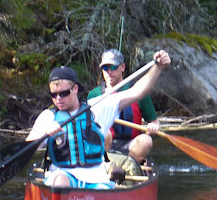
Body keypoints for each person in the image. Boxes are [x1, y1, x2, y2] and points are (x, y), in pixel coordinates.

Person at [26, 50, 171, 188]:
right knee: (60, 181)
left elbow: (137, 91)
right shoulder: (48, 117)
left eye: (64, 93)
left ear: (75, 89)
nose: (58, 99)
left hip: (96, 180)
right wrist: (44, 133)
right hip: (62, 178)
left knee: (103, 188)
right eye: (54, 94)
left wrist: (158, 68)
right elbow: (28, 147)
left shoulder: (97, 108)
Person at [87, 48, 159, 165]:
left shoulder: (137, 92)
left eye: (113, 67)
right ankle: (104, 166)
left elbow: (154, 121)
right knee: (105, 134)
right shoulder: (94, 95)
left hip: (131, 144)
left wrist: (153, 127)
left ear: (122, 67)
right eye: (105, 68)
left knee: (146, 141)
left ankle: (131, 167)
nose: (109, 72)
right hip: (106, 144)